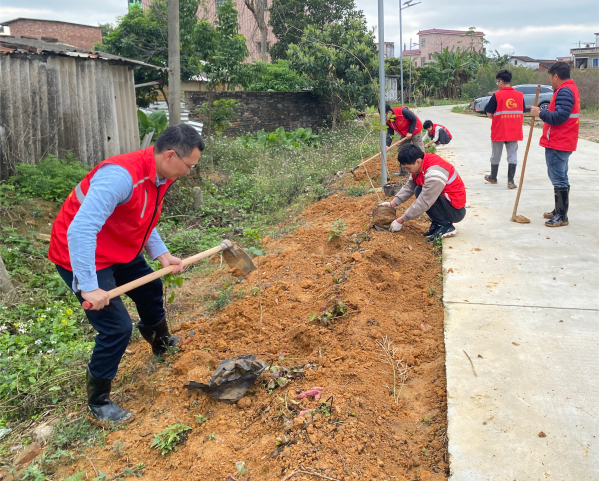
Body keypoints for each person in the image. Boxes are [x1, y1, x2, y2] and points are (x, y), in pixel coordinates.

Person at [48, 124, 205, 425]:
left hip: (118, 248)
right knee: (116, 327)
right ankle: (99, 402)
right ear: (171, 155)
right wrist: (90, 287)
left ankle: (160, 341)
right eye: (189, 166)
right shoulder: (120, 176)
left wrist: (161, 254)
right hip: (82, 255)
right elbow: (80, 230)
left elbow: (143, 216)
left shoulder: (161, 175)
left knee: (149, 289)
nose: (189, 172)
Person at [381, 144, 466, 241]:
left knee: (420, 191)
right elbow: (409, 186)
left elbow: (424, 201)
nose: (408, 171)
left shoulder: (434, 173)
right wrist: (393, 203)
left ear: (418, 161)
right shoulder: (422, 163)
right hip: (447, 204)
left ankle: (446, 226)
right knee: (418, 188)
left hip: (455, 211)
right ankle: (438, 223)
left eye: (408, 168)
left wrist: (401, 220)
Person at [530, 62, 579, 228]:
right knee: (559, 175)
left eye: (550, 77)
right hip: (561, 140)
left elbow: (559, 117)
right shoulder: (567, 89)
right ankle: (559, 210)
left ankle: (562, 215)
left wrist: (540, 113)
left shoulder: (565, 91)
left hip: (560, 140)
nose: (550, 80)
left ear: (556, 76)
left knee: (558, 177)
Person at [484, 69, 526, 189]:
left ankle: (493, 176)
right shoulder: (519, 95)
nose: (497, 84)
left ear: (501, 82)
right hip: (514, 131)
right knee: (512, 155)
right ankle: (511, 181)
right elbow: (522, 111)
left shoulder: (496, 95)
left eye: (498, 82)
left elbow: (489, 113)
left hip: (499, 130)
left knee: (496, 154)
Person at [385, 103, 425, 175]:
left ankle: (423, 170)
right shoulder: (388, 120)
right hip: (404, 134)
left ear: (389, 112)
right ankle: (404, 171)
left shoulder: (402, 111)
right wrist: (387, 145)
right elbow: (390, 133)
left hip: (415, 130)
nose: (383, 118)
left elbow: (414, 118)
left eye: (384, 116)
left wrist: (410, 132)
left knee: (419, 150)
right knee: (401, 149)